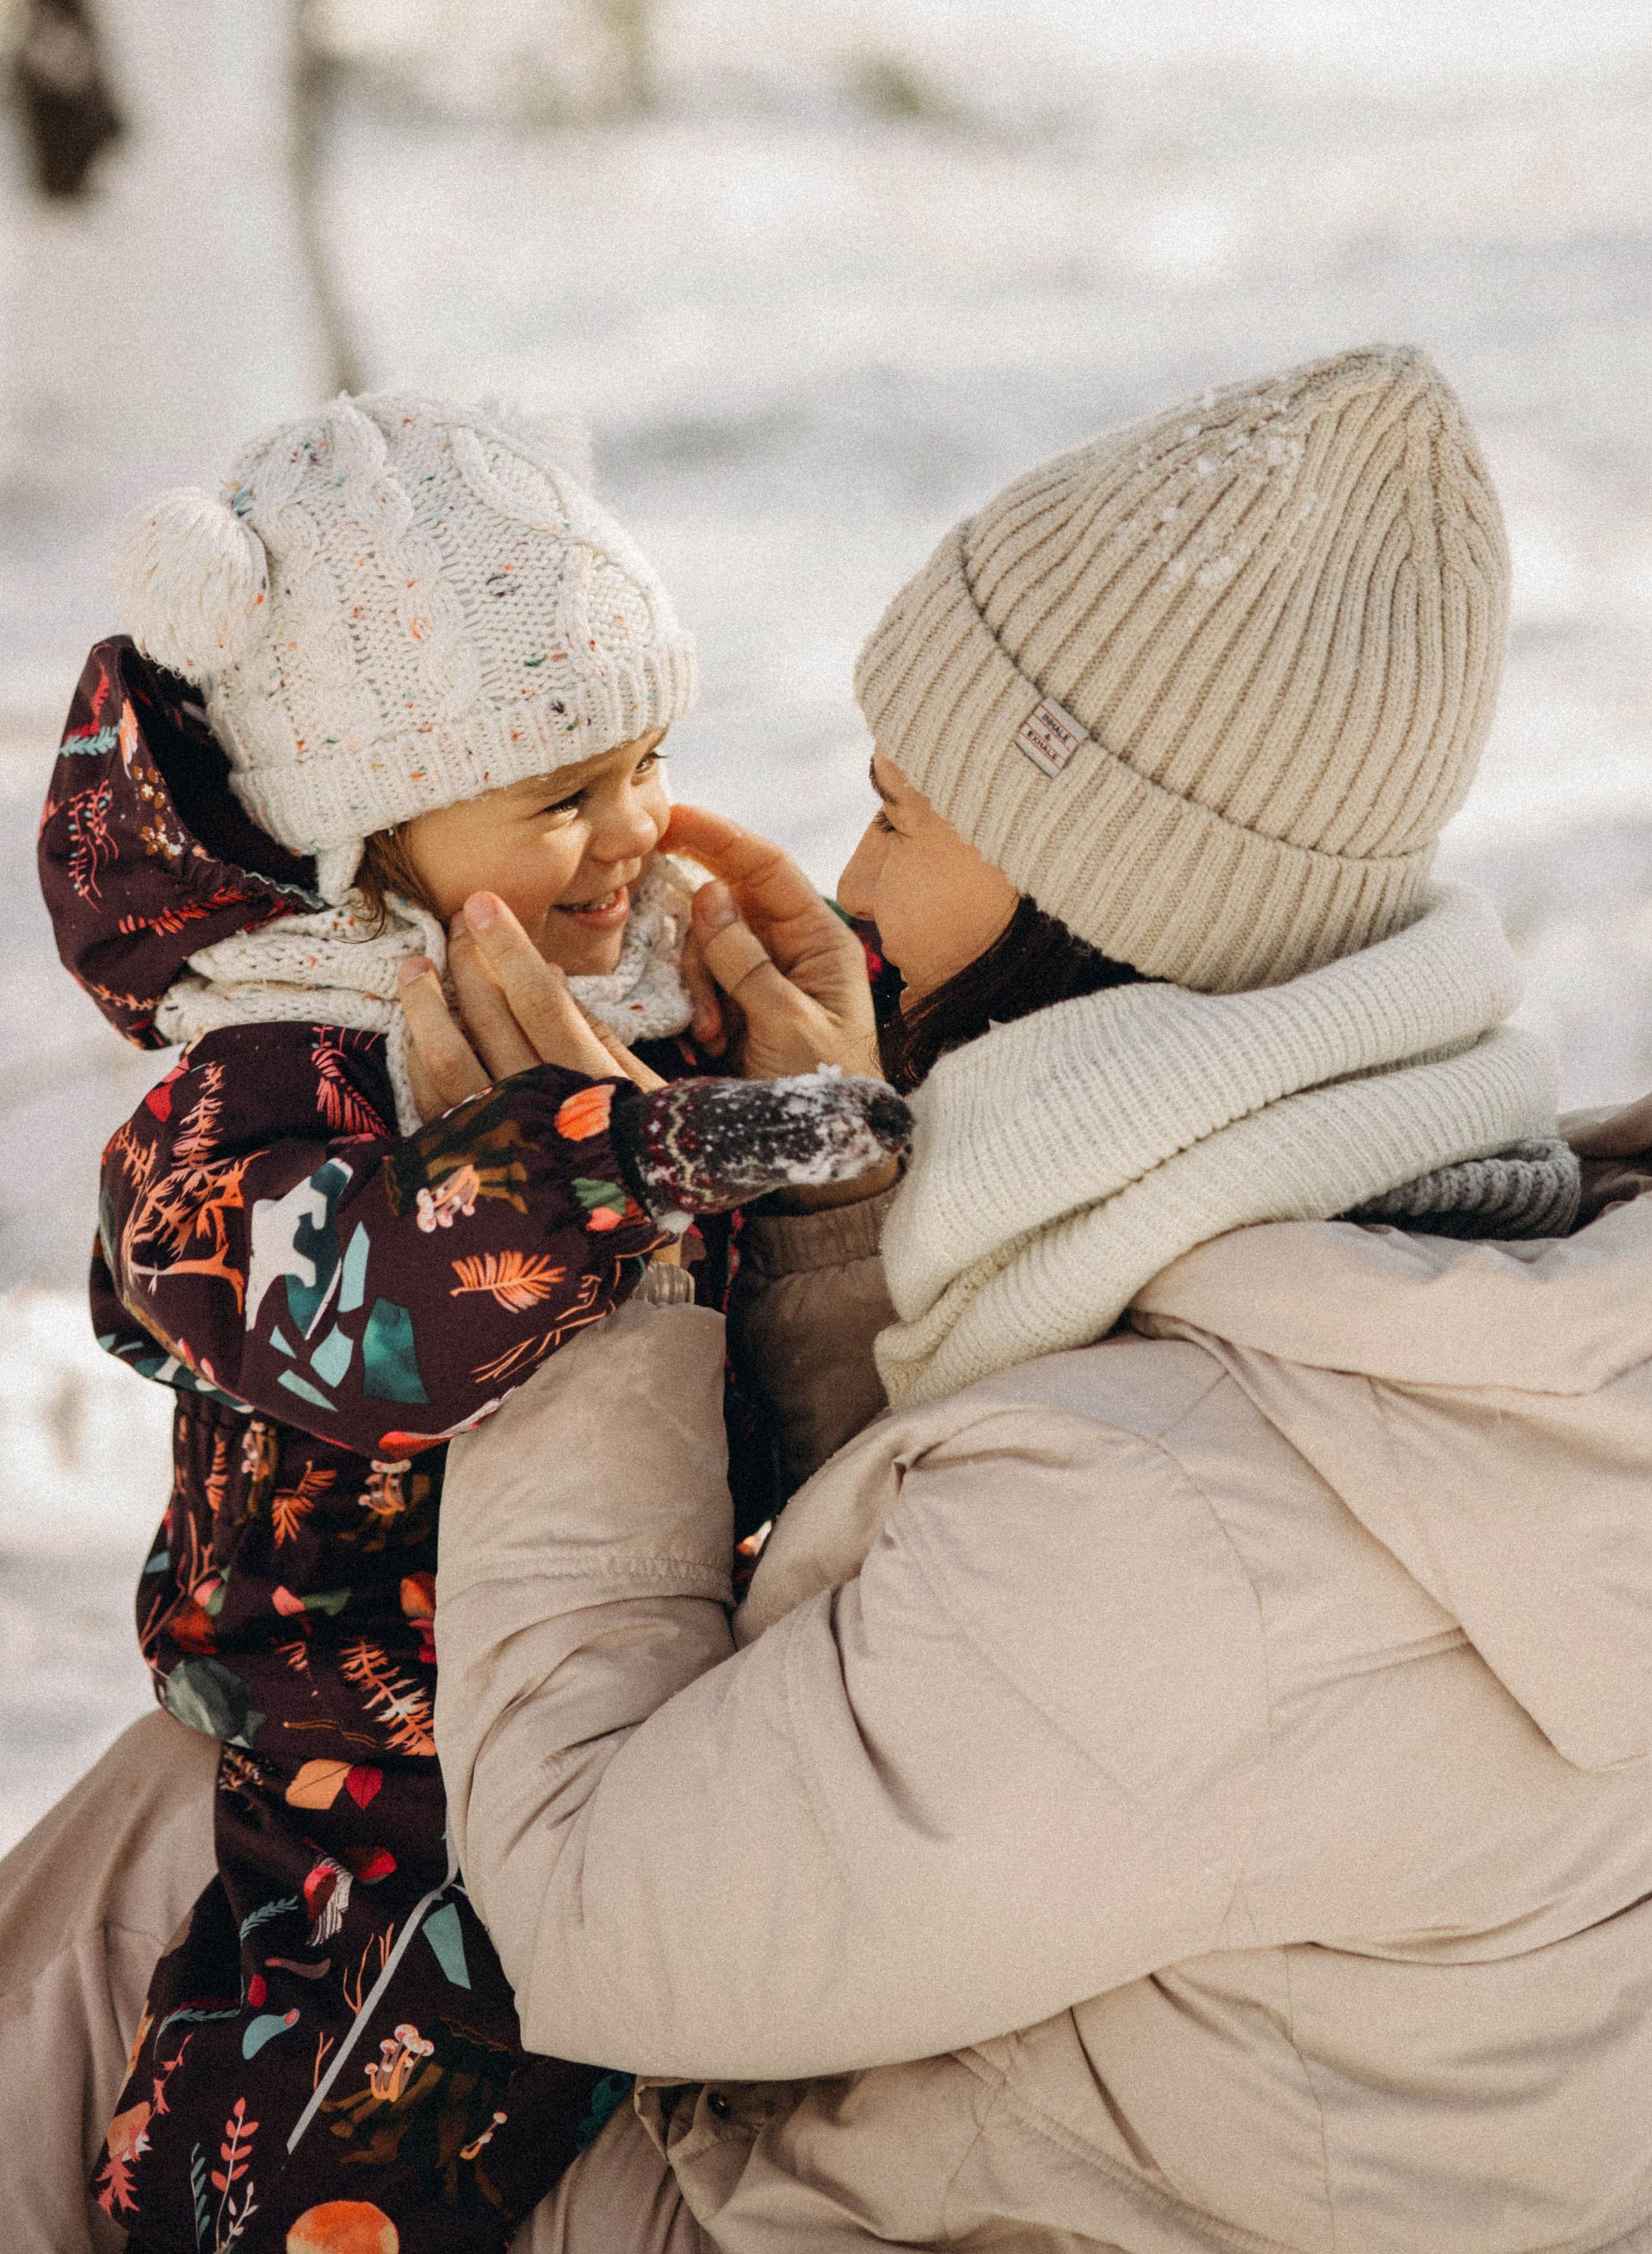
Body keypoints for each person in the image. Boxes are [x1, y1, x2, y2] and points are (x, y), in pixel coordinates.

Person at [425, 344, 1652, 2253]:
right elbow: (984, 1643)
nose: (846, 879)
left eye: (904, 816)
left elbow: (585, 1913)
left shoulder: (1176, 1524)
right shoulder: (1410, 1280)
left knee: (199, 1882)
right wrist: (840, 1237)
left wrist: (590, 1267)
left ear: (1103, 887)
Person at [27, 394, 904, 2253]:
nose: (635, 831)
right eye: (563, 797)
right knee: (347, 2097)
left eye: (648, 758)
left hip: (629, 1655)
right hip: (357, 1718)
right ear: (364, 826)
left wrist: (816, 1094)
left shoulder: (655, 996)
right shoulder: (253, 1084)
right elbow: (362, 1323)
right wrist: (603, 1157)